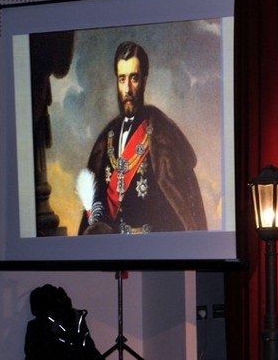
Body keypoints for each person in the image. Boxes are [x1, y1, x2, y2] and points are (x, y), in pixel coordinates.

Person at [77, 41, 207, 235]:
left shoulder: (163, 135)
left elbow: (182, 205)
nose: (128, 89)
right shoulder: (107, 137)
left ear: (144, 80)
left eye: (134, 78)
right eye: (122, 79)